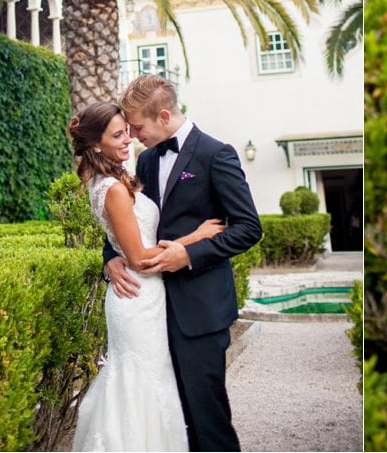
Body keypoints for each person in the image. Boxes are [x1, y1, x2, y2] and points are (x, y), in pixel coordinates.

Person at [103, 75, 262, 452]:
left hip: (200, 310)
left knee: (206, 416)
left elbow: (248, 228)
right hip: (151, 311)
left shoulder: (216, 154)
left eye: (138, 127)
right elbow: (128, 221)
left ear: (162, 115)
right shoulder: (148, 159)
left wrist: (188, 254)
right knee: (168, 415)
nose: (134, 135)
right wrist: (110, 258)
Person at [68, 101, 225, 452]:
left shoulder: (110, 181)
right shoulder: (113, 188)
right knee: (141, 384)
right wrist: (194, 238)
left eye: (127, 131)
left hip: (146, 297)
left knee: (145, 382)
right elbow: (138, 257)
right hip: (137, 296)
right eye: (118, 135)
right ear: (96, 144)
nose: (128, 140)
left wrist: (112, 258)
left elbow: (123, 245)